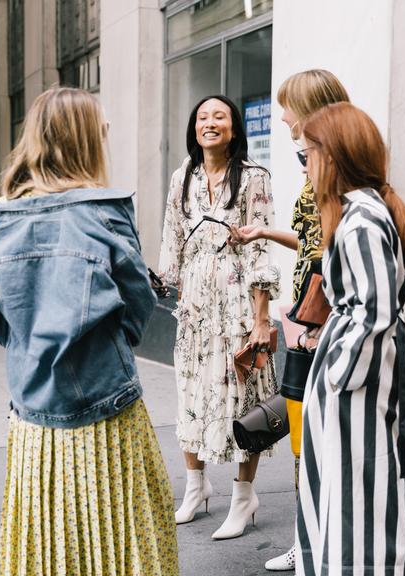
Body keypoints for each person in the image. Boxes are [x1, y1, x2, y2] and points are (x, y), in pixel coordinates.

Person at [0, 87, 205, 576]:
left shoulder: (5, 216)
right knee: (126, 515)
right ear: (82, 139)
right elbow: (137, 302)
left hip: (33, 402)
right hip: (104, 394)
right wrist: (114, 344)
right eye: (99, 129)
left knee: (49, 521)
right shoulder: (103, 211)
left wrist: (30, 347)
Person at [262, 101, 405, 576]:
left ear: (335, 155)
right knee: (350, 490)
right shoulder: (367, 211)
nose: (303, 158)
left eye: (309, 150)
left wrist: (333, 371)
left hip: (361, 379)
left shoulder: (360, 219)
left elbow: (372, 311)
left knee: (362, 491)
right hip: (366, 373)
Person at [229, 69, 349, 571]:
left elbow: (334, 249)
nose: (282, 117)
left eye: (288, 107)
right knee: (302, 433)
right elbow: (310, 244)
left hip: (319, 322)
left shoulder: (335, 165)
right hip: (306, 316)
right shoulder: (316, 161)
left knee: (317, 435)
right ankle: (309, 536)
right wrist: (268, 233)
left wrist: (312, 321)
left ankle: (319, 541)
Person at [159, 95, 280, 540]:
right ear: (194, 127)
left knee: (242, 399)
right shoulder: (181, 178)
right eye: (203, 117)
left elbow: (262, 248)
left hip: (237, 300)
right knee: (190, 390)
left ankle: (244, 496)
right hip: (194, 302)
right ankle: (196, 487)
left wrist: (261, 318)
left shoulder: (253, 178)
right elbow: (171, 239)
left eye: (220, 117)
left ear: (233, 129)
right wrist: (160, 284)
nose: (210, 123)